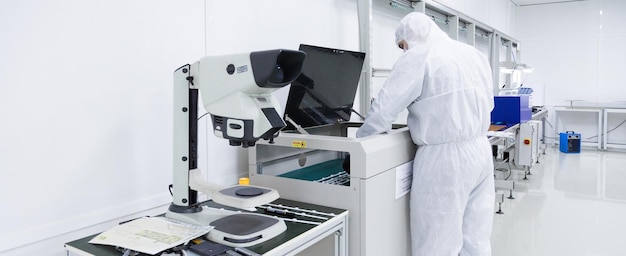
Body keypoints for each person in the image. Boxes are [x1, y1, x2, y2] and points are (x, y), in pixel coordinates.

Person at [356, 12, 495, 256]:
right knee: (476, 237)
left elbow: (383, 109)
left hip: (445, 159)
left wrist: (358, 148)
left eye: (402, 45)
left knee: (436, 242)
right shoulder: (473, 54)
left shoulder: (420, 55)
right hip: (481, 151)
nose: (403, 51)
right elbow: (489, 102)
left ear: (411, 37)